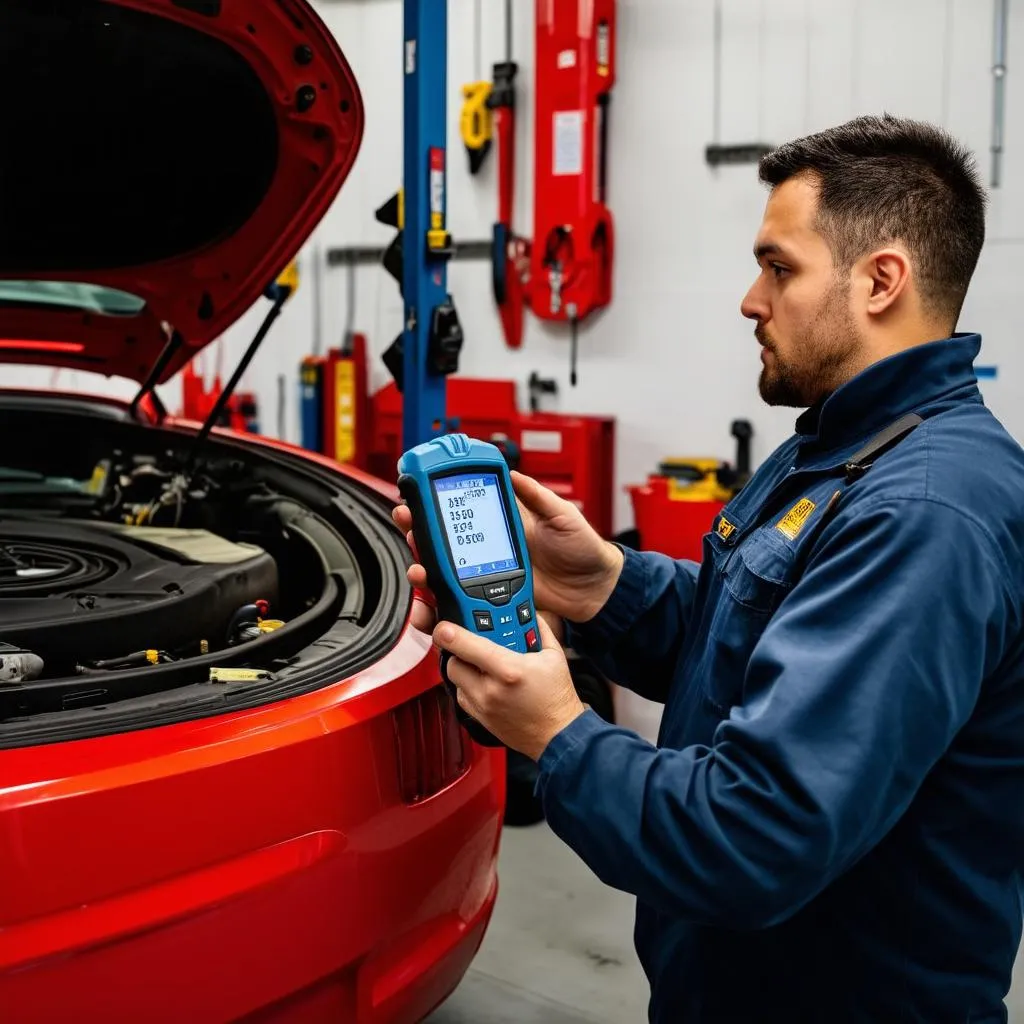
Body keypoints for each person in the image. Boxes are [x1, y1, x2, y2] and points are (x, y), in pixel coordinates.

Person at [394, 114, 1024, 1023]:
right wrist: (604, 584)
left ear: (882, 279)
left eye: (779, 267)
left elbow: (750, 838)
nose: (750, 299)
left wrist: (559, 733)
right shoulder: (844, 449)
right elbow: (756, 635)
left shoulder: (923, 512)